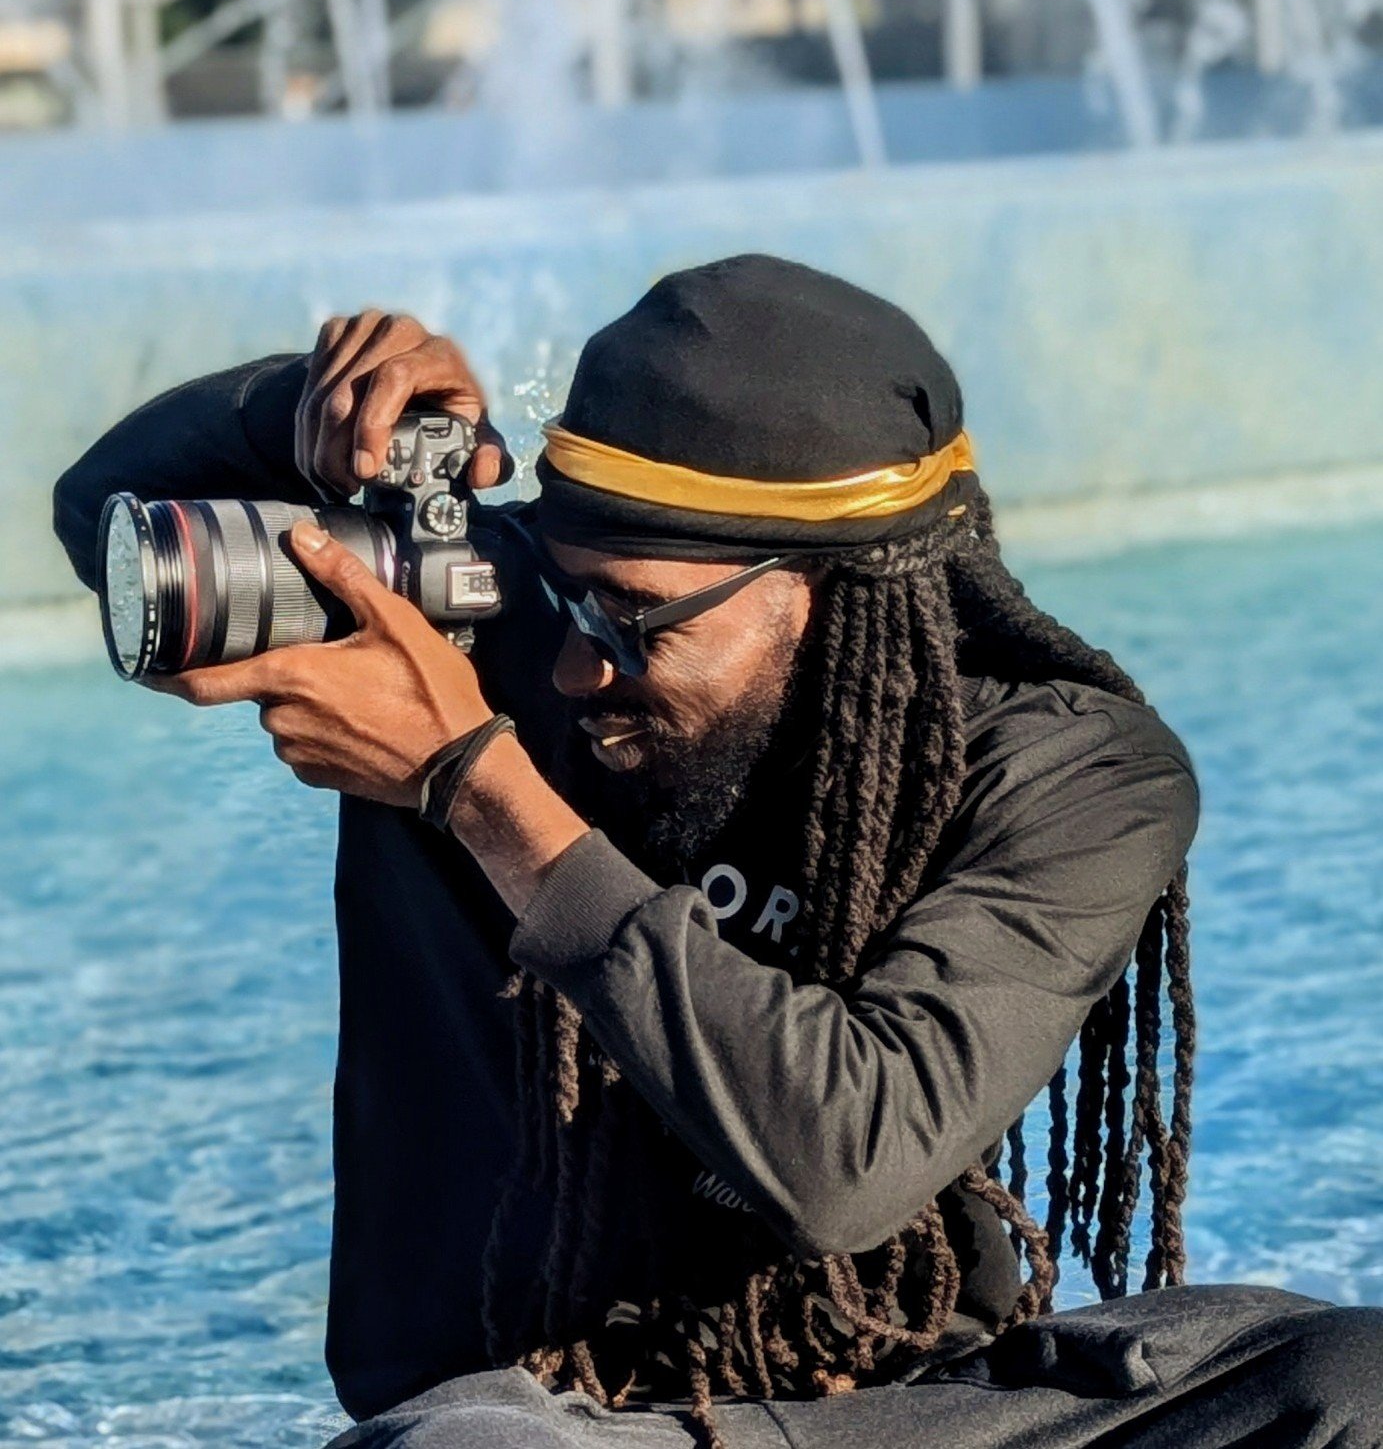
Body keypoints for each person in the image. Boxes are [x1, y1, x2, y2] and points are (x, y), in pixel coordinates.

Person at [52, 255, 1383, 1449]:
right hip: (545, 1420)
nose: (574, 664)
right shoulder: (473, 623)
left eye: (639, 622)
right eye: (565, 594)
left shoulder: (1072, 773)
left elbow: (843, 1160)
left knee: (1351, 1377)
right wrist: (287, 413)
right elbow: (128, 537)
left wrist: (476, 785)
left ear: (834, 596)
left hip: (925, 1416)